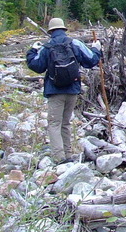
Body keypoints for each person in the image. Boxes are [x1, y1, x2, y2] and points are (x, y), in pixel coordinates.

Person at [26, 17, 102, 164]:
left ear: (51, 31)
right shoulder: (75, 43)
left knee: (54, 123)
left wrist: (32, 50)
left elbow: (36, 66)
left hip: (54, 91)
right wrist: (96, 49)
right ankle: (67, 154)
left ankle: (59, 157)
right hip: (72, 89)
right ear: (64, 29)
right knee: (66, 123)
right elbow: (91, 60)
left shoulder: (47, 47)